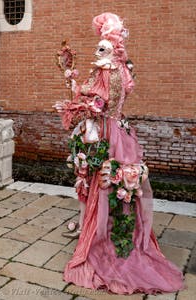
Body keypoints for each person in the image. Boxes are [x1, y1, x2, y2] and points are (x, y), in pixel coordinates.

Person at [54, 12, 184, 295]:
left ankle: (100, 239)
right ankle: (108, 231)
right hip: (121, 131)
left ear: (110, 46)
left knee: (100, 180)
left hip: (104, 132)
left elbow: (96, 103)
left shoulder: (106, 70)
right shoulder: (123, 69)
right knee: (115, 183)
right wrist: (76, 82)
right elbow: (107, 100)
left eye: (101, 46)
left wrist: (73, 85)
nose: (96, 51)